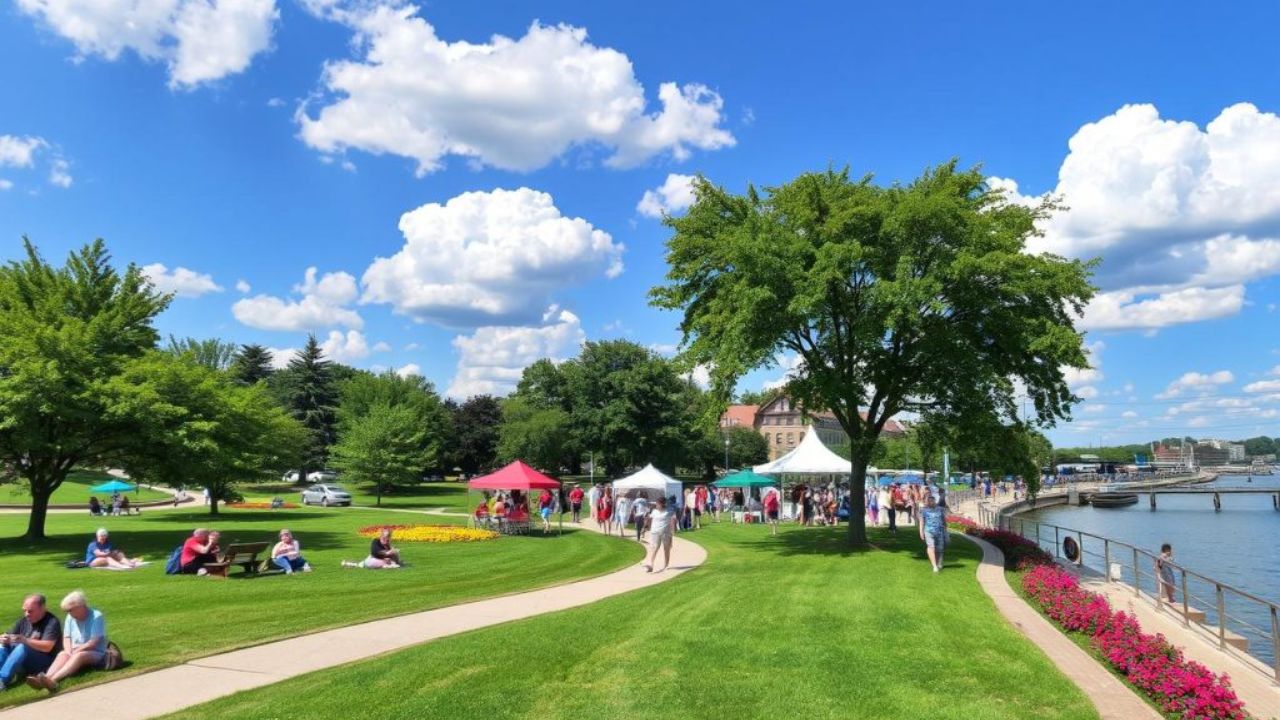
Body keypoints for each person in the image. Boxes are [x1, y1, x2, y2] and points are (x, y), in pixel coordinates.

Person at [25, 591, 106, 692]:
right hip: (75, 650)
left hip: (96, 652)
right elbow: (67, 637)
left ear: (80, 606)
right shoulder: (70, 618)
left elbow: (94, 642)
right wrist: (68, 651)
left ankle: (52, 680)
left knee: (79, 655)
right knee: (62, 654)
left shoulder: (96, 616)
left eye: (70, 610)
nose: (69, 613)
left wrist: (76, 650)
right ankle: (44, 678)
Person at [0, 593, 61, 689]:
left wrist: (25, 640)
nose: (26, 614)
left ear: (43, 608)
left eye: (30, 611)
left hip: (44, 663)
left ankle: (2, 680)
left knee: (22, 647)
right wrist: (3, 638)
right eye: (24, 611)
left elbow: (48, 647)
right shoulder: (24, 620)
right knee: (3, 646)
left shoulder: (51, 622)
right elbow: (7, 635)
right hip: (24, 660)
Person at [643, 497, 678, 573]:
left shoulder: (669, 511)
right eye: (656, 503)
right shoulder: (654, 511)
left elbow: (674, 518)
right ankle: (651, 564)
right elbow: (649, 518)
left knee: (666, 549)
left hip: (666, 533)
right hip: (655, 532)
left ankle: (666, 565)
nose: (656, 505)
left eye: (658, 504)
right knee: (655, 548)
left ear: (662, 504)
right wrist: (645, 526)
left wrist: (673, 529)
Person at [919, 495, 947, 573]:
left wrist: (945, 530)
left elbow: (943, 520)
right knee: (931, 547)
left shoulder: (940, 509)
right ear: (927, 502)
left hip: (940, 531)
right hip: (928, 531)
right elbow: (922, 522)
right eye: (929, 501)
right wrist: (921, 532)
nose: (931, 502)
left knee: (940, 549)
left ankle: (939, 562)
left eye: (932, 501)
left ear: (935, 501)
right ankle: (934, 566)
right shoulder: (923, 510)